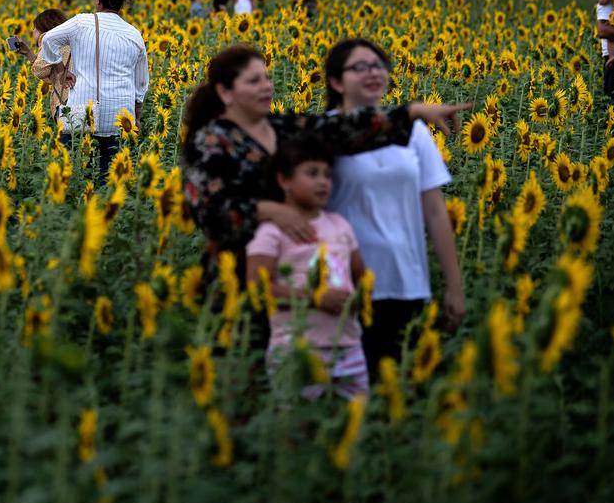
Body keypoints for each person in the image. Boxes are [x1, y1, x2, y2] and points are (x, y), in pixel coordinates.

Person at [178, 45, 468, 354]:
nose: (266, 86)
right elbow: (209, 212)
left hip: (294, 272)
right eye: (253, 81)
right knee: (243, 363)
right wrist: (268, 211)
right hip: (238, 278)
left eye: (266, 77)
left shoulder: (281, 128)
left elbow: (339, 129)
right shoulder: (209, 141)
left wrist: (411, 113)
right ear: (225, 92)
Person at [323, 38, 464, 381]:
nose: (372, 72)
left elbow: (434, 210)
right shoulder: (324, 134)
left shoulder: (413, 131)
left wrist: (454, 285)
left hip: (407, 280)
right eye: (359, 67)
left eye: (378, 65)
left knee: (403, 391)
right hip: (345, 288)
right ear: (336, 82)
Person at [247, 136, 369, 399]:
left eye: (327, 174)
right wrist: (314, 299)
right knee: (294, 427)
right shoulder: (272, 232)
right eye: (312, 173)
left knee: (357, 421)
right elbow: (257, 287)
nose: (323, 181)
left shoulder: (340, 226)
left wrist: (358, 300)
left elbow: (362, 277)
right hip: (295, 350)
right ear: (284, 180)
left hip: (347, 348)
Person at [37, 0, 148, 179]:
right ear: (122, 1)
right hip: (120, 116)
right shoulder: (134, 34)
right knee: (111, 179)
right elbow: (141, 85)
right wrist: (137, 117)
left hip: (81, 111)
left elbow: (48, 40)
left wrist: (61, 70)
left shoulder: (81, 23)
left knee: (73, 176)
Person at [12, 8, 75, 113]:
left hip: (65, 105)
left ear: (42, 29)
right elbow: (52, 76)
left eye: (34, 28)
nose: (32, 32)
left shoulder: (48, 40)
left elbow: (40, 71)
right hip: (79, 98)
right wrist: (30, 54)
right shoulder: (68, 41)